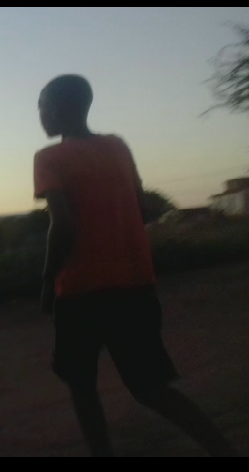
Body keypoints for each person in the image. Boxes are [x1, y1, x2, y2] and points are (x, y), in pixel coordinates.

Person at [34, 74, 235, 457]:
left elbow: (62, 224)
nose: (40, 115)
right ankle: (222, 449)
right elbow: (142, 207)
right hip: (134, 284)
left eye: (41, 106)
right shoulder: (118, 147)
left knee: (83, 388)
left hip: (80, 290)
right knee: (150, 388)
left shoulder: (49, 159)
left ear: (57, 109)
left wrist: (47, 282)